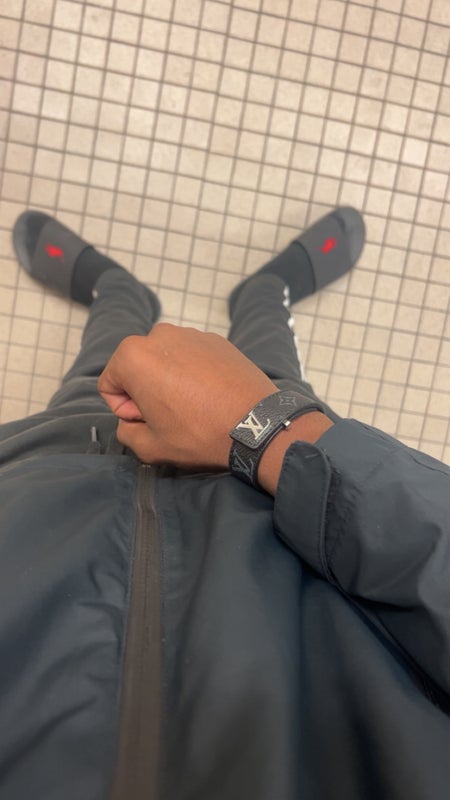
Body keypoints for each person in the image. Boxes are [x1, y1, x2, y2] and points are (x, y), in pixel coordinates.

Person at [0, 206, 449, 800]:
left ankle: (119, 294)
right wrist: (277, 431)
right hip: (295, 511)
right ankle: (265, 294)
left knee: (96, 380)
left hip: (48, 479)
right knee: (272, 370)